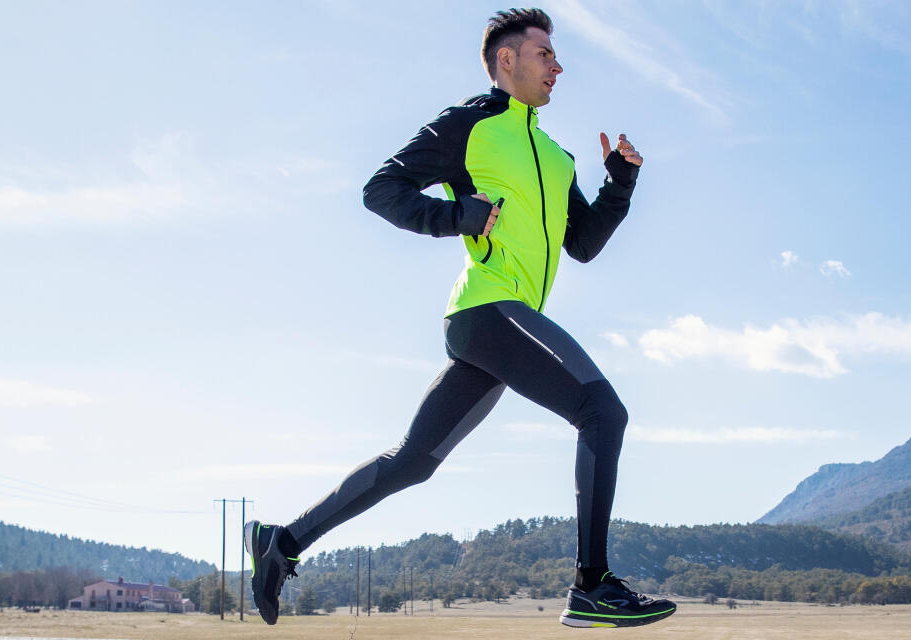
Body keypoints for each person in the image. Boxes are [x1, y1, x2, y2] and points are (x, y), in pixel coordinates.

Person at [242, 7, 674, 629]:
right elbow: (382, 189)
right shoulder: (468, 125)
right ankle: (592, 584)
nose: (558, 66)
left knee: (413, 461)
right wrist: (457, 218)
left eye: (556, 55)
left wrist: (620, 185)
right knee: (602, 411)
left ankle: (281, 541)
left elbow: (582, 243)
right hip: (486, 307)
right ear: (506, 61)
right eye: (544, 54)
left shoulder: (556, 155)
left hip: (504, 323)